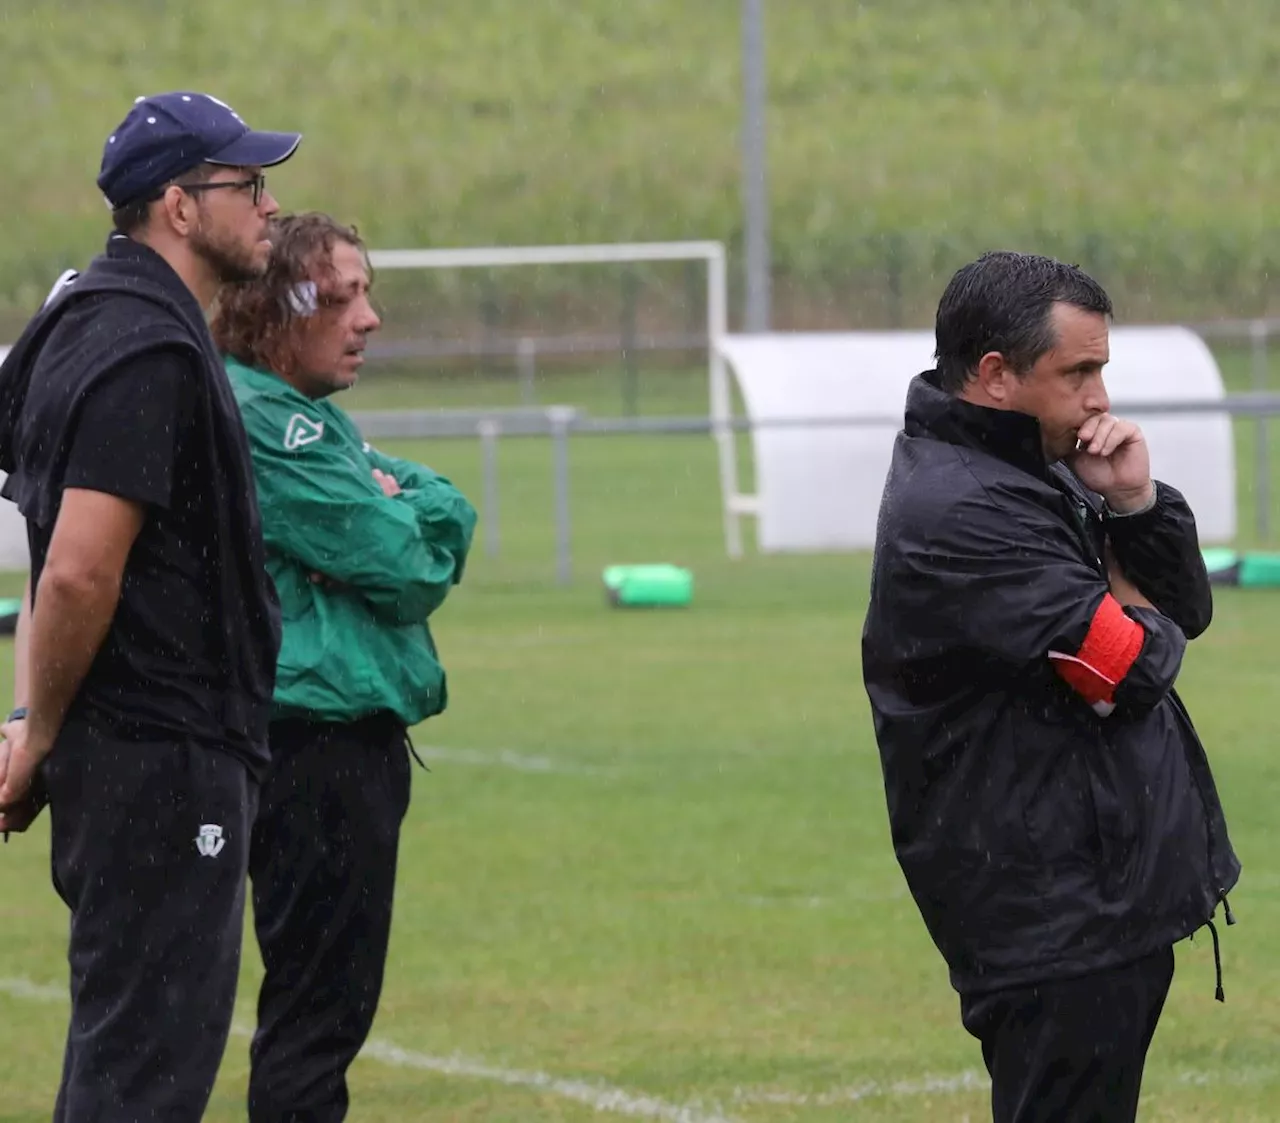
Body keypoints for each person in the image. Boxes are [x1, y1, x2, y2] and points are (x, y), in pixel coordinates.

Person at [861, 250, 1241, 1123]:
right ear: (996, 374)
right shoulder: (961, 509)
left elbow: (1185, 608)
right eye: (1079, 371)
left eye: (1102, 368)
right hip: (1049, 908)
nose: (1100, 397)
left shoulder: (1037, 463)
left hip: (1090, 891)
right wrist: (1122, 598)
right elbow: (1135, 664)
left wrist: (1136, 504)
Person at [0, 92, 300, 1121]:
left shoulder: (77, 322)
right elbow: (79, 569)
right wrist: (35, 732)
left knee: (123, 1060)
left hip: (125, 762)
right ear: (177, 204)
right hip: (162, 764)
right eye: (246, 185)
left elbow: (46, 568)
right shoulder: (144, 348)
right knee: (145, 1080)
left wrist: (37, 725)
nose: (267, 206)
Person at [210, 211, 477, 1123]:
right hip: (314, 747)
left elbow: (447, 511)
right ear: (278, 307)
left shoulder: (310, 421)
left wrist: (393, 508)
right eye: (344, 295)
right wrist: (388, 512)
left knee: (319, 1009)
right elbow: (406, 567)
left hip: (328, 743)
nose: (370, 317)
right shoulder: (265, 421)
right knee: (314, 1016)